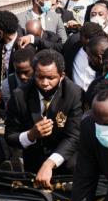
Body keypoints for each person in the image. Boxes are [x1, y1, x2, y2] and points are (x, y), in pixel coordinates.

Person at [5, 50, 83, 186]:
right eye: (40, 77)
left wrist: (50, 163)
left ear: (62, 75)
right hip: (34, 159)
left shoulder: (74, 94)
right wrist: (30, 135)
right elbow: (10, 135)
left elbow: (74, 136)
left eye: (51, 78)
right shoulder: (19, 96)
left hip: (64, 157)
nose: (45, 83)